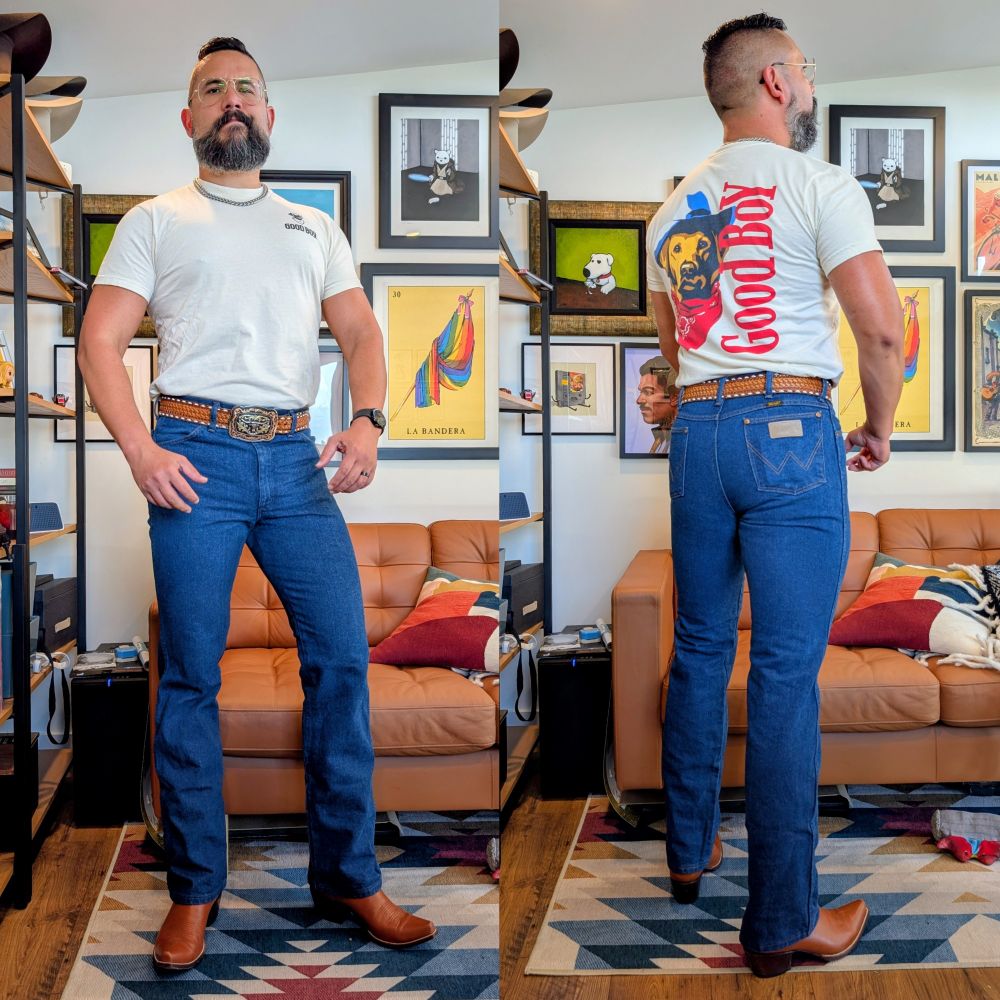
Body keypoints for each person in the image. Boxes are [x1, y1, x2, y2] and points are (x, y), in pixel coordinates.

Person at [77, 36, 435, 973]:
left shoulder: (314, 228)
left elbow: (359, 330)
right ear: (189, 119)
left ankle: (348, 877)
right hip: (191, 453)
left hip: (293, 461)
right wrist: (140, 449)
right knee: (192, 675)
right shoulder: (156, 218)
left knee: (342, 661)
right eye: (211, 90)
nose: (231, 100)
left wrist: (366, 420)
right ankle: (195, 889)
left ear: (268, 118)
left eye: (247, 89)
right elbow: (99, 342)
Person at [646, 13, 904, 979]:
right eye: (804, 68)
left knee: (703, 647)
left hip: (700, 434)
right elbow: (879, 333)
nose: (809, 80)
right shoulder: (817, 182)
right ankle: (781, 922)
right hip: (793, 430)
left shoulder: (671, 208)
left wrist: (682, 390)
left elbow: (672, 359)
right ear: (775, 83)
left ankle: (687, 850)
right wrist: (876, 428)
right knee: (788, 674)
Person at [635, 355, 679, 454]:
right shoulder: (663, 437)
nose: (639, 400)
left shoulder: (687, 441)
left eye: (648, 392)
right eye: (641, 392)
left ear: (674, 397)